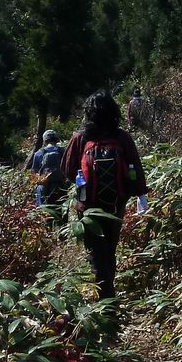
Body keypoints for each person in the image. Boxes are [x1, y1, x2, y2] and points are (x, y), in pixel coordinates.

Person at [60, 92, 149, 299]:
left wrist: (82, 181)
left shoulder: (80, 137)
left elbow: (67, 168)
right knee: (110, 247)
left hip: (87, 204)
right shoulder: (121, 137)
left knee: (96, 249)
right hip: (116, 202)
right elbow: (136, 165)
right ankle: (109, 289)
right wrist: (139, 194)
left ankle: (106, 297)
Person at [28, 129, 65, 211]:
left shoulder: (38, 153)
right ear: (56, 139)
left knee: (44, 213)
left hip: (43, 187)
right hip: (60, 186)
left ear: (44, 140)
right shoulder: (63, 151)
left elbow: (33, 174)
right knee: (60, 212)